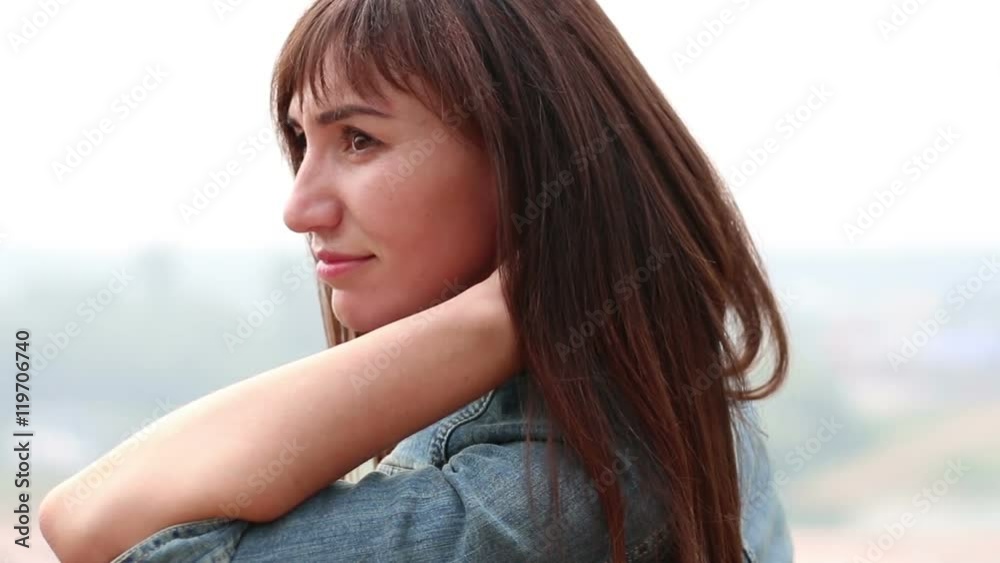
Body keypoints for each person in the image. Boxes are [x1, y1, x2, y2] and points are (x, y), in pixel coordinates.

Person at [40, 0, 794, 561]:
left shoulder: (539, 498)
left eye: (359, 139)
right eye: (303, 142)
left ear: (520, 158)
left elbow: (94, 526)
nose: (300, 208)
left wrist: (490, 319)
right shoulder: (675, 398)